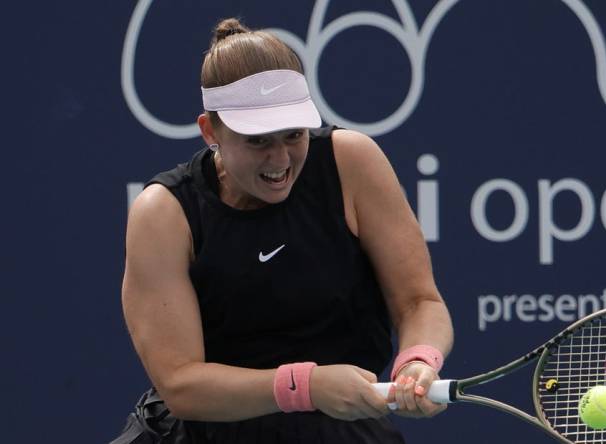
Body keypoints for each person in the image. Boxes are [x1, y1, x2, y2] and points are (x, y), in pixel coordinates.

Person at [112, 17, 453, 444]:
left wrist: (417, 362)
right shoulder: (164, 212)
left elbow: (419, 301)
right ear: (209, 130)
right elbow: (181, 383)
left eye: (294, 135)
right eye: (257, 141)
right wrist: (306, 387)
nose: (280, 160)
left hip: (336, 430)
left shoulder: (352, 162)